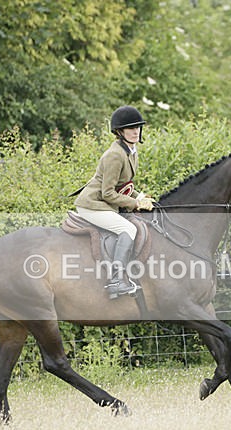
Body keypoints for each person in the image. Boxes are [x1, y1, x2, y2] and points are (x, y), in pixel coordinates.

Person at [73, 105, 154, 299]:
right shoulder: (115, 155)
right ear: (120, 131)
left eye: (138, 127)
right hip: (92, 205)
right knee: (129, 229)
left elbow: (123, 186)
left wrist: (140, 198)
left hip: (104, 202)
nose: (136, 131)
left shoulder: (131, 151)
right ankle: (116, 281)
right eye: (130, 128)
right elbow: (108, 193)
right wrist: (134, 204)